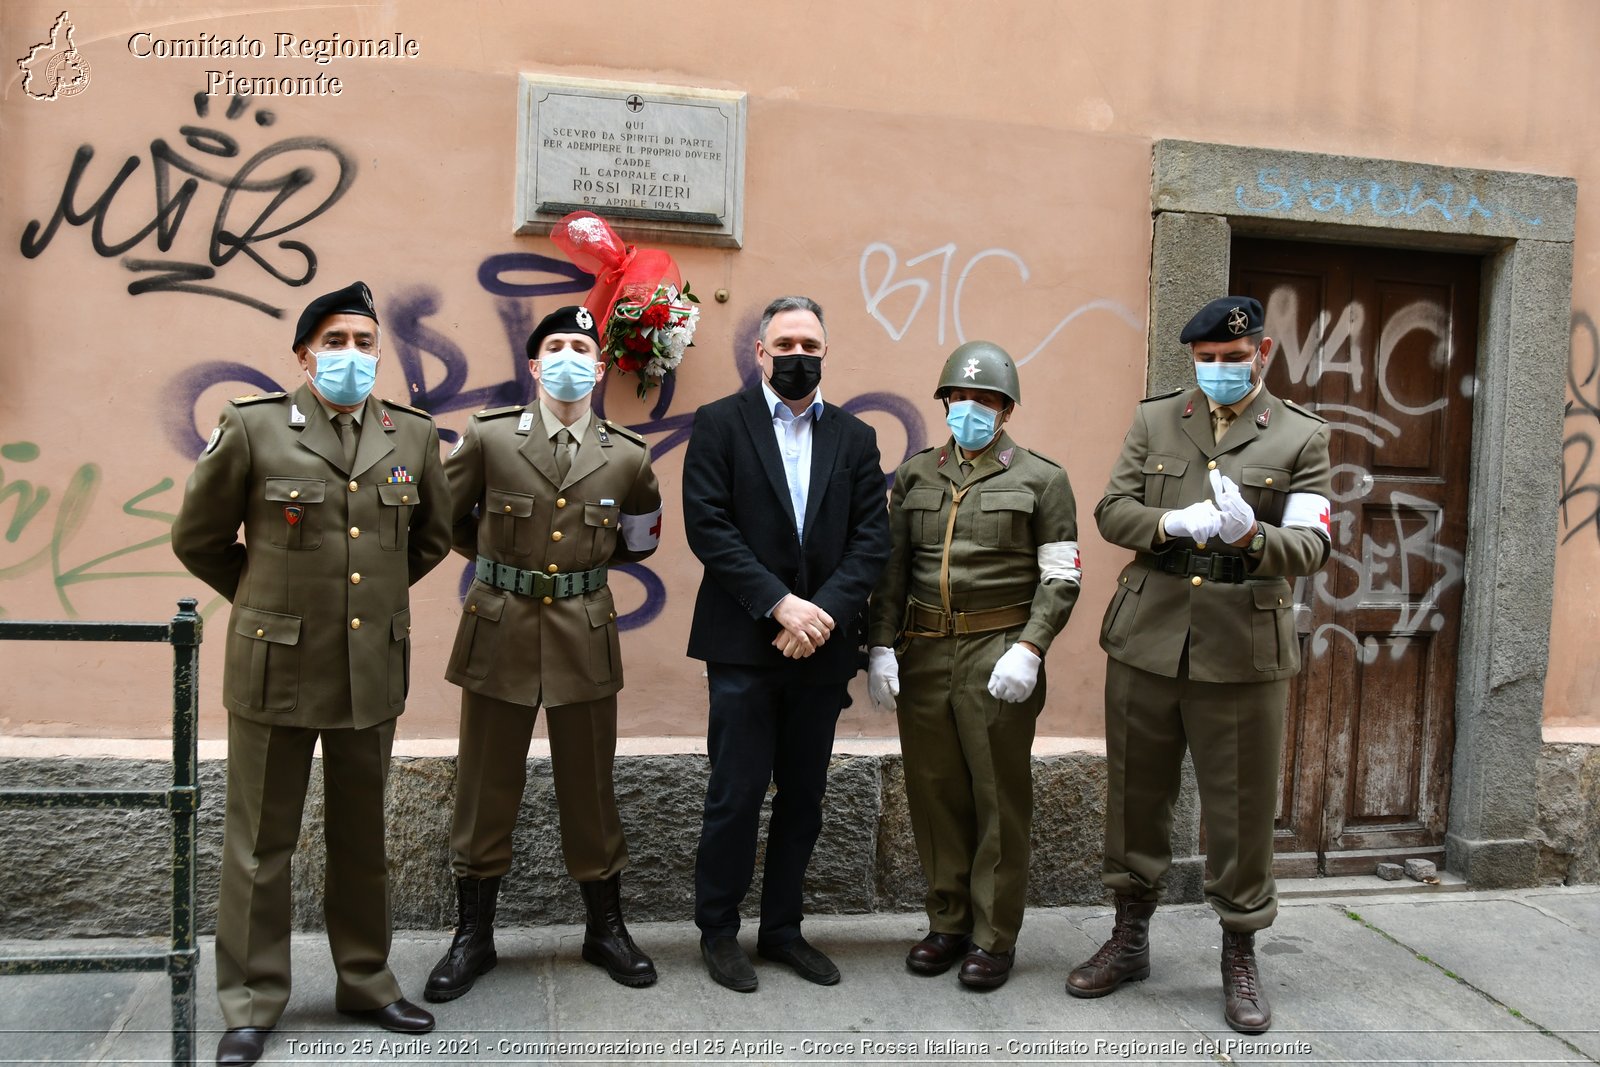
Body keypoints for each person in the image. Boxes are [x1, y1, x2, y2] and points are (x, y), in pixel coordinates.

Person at [171, 281, 452, 1067]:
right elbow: (197, 536)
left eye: (366, 342)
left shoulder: (411, 436)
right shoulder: (256, 427)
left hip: (370, 666)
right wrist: (263, 599)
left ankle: (365, 979)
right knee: (261, 842)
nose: (353, 355)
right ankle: (253, 1002)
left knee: (364, 837)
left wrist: (373, 607)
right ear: (304, 354)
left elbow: (427, 539)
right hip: (276, 663)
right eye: (337, 341)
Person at [1069, 296, 1333, 1033]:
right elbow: (1112, 509)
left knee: (1241, 809)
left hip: (1242, 648)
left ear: (1264, 354)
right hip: (1148, 637)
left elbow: (1311, 547)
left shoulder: (1301, 436)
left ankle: (1239, 953)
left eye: (1232, 358)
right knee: (1134, 794)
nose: (1218, 370)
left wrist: (1253, 537)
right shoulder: (1158, 419)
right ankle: (1129, 938)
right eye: (1207, 359)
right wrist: (1169, 523)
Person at [424, 305, 663, 999]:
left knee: (590, 785)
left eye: (580, 347)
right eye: (554, 347)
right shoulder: (490, 437)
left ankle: (606, 928)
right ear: (533, 366)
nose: (567, 357)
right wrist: (509, 567)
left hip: (584, 631)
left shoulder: (628, 453)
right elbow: (447, 517)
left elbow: (641, 539)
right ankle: (474, 936)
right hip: (498, 625)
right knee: (483, 785)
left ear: (599, 365)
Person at [682, 295, 891, 992]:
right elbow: (708, 527)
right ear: (760, 353)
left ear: (824, 352)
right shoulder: (717, 424)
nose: (798, 354)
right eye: (785, 343)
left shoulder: (855, 438)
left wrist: (819, 614)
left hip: (821, 649)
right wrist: (780, 605)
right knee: (735, 794)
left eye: (810, 343)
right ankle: (718, 930)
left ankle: (782, 929)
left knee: (802, 797)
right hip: (743, 644)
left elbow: (871, 541)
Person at [866, 340, 1081, 990]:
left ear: (1006, 408)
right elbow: (893, 569)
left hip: (999, 652)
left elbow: (1062, 576)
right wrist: (880, 644)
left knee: (997, 798)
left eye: (983, 399)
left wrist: (1031, 646)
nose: (968, 409)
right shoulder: (915, 476)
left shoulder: (1042, 478)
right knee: (934, 793)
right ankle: (948, 920)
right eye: (957, 398)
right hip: (924, 650)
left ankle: (993, 935)